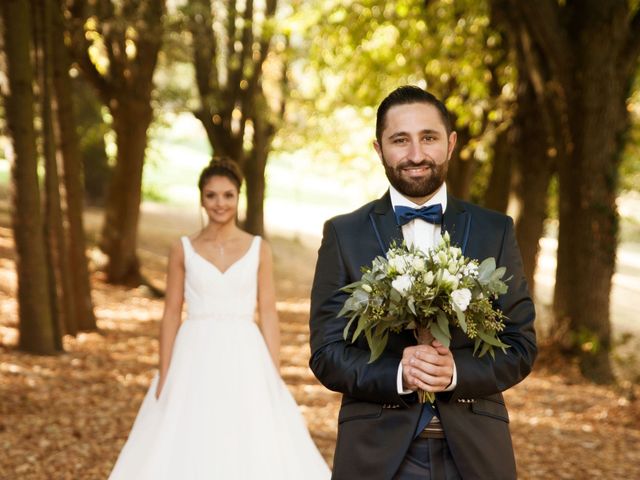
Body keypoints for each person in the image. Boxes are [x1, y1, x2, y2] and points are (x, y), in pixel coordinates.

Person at [309, 86, 537, 480]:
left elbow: (520, 344)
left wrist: (456, 373)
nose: (416, 154)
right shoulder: (343, 235)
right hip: (376, 451)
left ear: (450, 144)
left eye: (428, 138)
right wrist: (399, 372)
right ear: (379, 149)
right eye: (400, 140)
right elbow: (327, 353)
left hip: (475, 449)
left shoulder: (495, 231)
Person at [109, 157, 330, 479]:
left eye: (228, 195)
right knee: (190, 429)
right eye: (212, 195)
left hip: (245, 350)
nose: (220, 203)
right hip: (194, 351)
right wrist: (165, 372)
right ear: (201, 198)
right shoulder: (183, 248)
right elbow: (171, 313)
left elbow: (267, 312)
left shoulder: (258, 248)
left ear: (237, 197)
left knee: (248, 430)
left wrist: (274, 373)